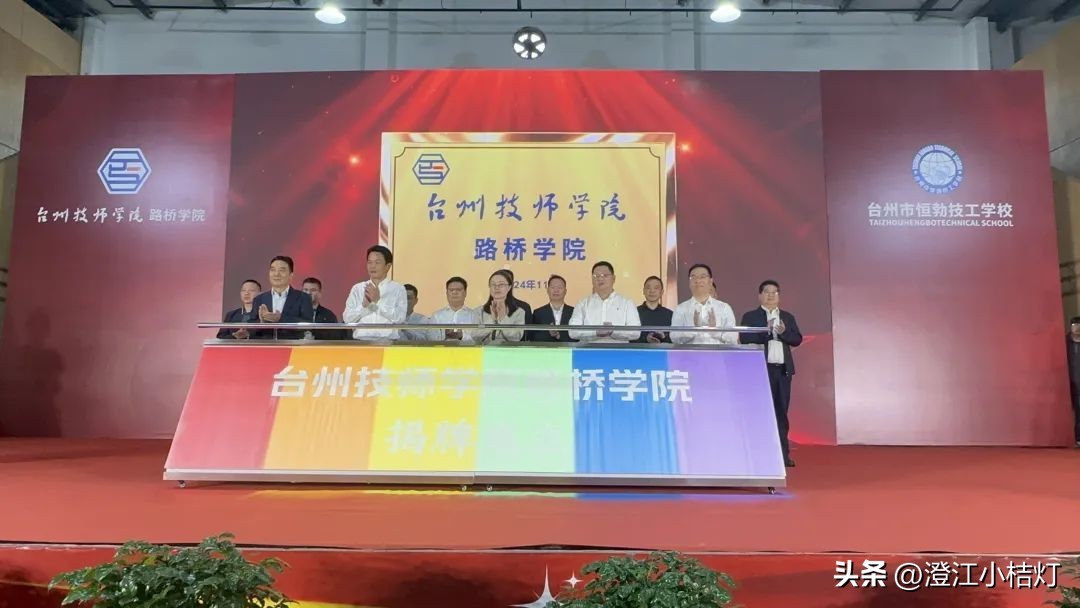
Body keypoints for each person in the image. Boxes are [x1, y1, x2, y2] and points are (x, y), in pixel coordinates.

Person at [740, 279, 803, 468]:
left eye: (774, 292)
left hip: (782, 371)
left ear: (779, 296)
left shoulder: (787, 317)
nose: (770, 295)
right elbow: (745, 338)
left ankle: (783, 455)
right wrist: (766, 332)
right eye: (767, 292)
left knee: (781, 413)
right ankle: (758, 454)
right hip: (760, 371)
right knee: (759, 412)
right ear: (760, 295)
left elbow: (797, 339)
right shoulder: (751, 316)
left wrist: (783, 332)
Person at [343, 245, 407, 341]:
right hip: (361, 342)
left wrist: (377, 304)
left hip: (388, 343)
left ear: (388, 266)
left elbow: (400, 318)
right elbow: (347, 318)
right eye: (370, 262)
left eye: (377, 262)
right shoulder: (358, 288)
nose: (372, 266)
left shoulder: (398, 289)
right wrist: (364, 307)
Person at [568, 261, 641, 343]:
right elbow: (572, 332)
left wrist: (613, 331)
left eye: (605, 275)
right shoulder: (583, 303)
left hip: (618, 350)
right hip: (589, 350)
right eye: (596, 276)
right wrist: (595, 332)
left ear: (614, 278)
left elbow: (636, 333)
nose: (600, 279)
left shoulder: (627, 302)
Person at [670, 264, 738, 346]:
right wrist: (693, 329)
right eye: (693, 277)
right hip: (690, 354)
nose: (698, 280)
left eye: (702, 277)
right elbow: (674, 338)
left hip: (717, 354)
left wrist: (715, 331)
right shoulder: (680, 309)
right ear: (689, 283)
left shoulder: (724, 308)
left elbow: (733, 339)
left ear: (711, 281)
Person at [252, 255, 314, 339]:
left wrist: (281, 318)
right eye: (273, 270)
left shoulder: (303, 298)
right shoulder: (259, 299)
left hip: (292, 344)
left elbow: (308, 325)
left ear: (291, 275)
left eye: (281, 270)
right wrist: (261, 322)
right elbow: (252, 325)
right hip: (266, 344)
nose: (276, 274)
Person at [472, 269, 526, 344]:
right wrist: (492, 322)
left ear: (509, 287)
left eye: (501, 284)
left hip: (508, 350)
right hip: (485, 350)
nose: (496, 287)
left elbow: (516, 338)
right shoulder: (478, 311)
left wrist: (503, 318)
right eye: (493, 284)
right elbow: (475, 337)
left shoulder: (519, 312)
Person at [429, 276, 481, 343]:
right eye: (451, 290)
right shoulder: (437, 316)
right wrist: (445, 336)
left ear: (465, 293)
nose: (454, 292)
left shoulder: (474, 315)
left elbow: (478, 340)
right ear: (446, 293)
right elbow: (430, 339)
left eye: (458, 290)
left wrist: (462, 335)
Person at [530, 274, 575, 342]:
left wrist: (559, 336)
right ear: (548, 290)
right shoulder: (538, 313)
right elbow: (533, 337)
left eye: (560, 287)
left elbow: (577, 337)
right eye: (553, 287)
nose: (556, 290)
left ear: (565, 291)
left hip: (569, 348)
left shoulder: (574, 312)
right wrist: (549, 334)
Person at [633, 275, 673, 344]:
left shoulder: (670, 314)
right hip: (639, 350)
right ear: (643, 291)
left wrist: (663, 337)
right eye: (648, 288)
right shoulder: (634, 312)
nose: (652, 291)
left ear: (662, 292)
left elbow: (675, 339)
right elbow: (629, 337)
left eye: (656, 288)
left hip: (663, 351)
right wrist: (646, 339)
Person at [1066, 317, 1080, 447]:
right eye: (1074, 326)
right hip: (1068, 382)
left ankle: (1078, 437)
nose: (1076, 329)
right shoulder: (1064, 342)